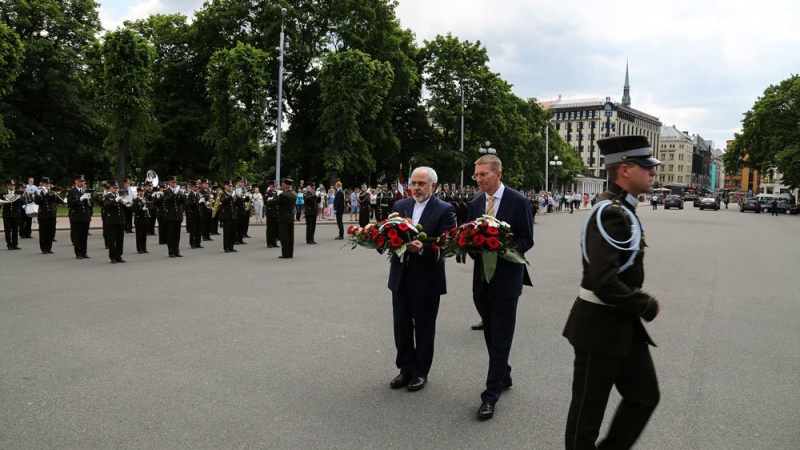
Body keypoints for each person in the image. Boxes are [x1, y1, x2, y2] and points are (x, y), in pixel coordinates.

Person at [563, 135, 662, 450]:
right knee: (587, 414)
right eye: (646, 166)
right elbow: (603, 281)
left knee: (644, 397)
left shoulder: (622, 208)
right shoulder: (611, 212)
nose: (653, 172)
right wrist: (644, 303)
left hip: (621, 325)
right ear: (625, 169)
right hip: (598, 326)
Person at [463, 154, 534, 420]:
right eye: (477, 175)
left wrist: (503, 249)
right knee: (491, 331)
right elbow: (470, 236)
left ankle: (490, 396)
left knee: (501, 335)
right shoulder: (475, 203)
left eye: (484, 175)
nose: (479, 179)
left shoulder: (519, 201)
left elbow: (527, 238)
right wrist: (469, 246)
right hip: (481, 279)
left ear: (498, 175)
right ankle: (503, 374)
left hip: (507, 280)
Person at [386, 167, 456, 392]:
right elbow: (389, 232)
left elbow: (447, 243)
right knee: (401, 325)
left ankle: (420, 372)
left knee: (424, 327)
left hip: (426, 279)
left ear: (433, 186)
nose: (416, 187)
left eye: (421, 184)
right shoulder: (400, 205)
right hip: (400, 276)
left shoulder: (445, 210)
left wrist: (423, 248)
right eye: (414, 183)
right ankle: (405, 368)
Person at [66, 175, 92, 259]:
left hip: (85, 216)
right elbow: (70, 203)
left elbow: (91, 204)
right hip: (76, 216)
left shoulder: (86, 191)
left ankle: (84, 252)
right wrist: (80, 199)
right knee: (77, 235)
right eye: (80, 181)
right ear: (76, 181)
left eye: (83, 181)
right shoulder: (71, 192)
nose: (82, 183)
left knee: (84, 235)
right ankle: (78, 253)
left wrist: (89, 199)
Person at [102, 181, 126, 263]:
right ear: (111, 188)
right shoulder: (107, 196)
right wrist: (115, 200)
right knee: (112, 240)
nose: (116, 189)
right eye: (114, 188)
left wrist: (125, 203)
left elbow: (124, 208)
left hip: (120, 220)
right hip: (112, 221)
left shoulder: (120, 197)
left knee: (120, 239)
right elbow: (106, 205)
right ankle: (112, 257)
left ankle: (119, 255)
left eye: (117, 188)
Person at [34, 177, 59, 254]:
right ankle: (44, 248)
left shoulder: (51, 191)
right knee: (43, 231)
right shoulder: (38, 191)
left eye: (48, 183)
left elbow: (54, 200)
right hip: (43, 213)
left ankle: (49, 247)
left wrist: (51, 193)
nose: (47, 185)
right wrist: (42, 195)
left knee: (50, 231)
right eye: (45, 183)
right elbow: (37, 202)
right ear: (42, 183)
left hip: (51, 213)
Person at [162, 176, 185, 258]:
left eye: (175, 182)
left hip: (177, 216)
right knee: (170, 234)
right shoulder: (166, 191)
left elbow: (182, 202)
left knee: (177, 235)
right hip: (170, 216)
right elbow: (167, 200)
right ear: (169, 182)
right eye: (172, 182)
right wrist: (175, 193)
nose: (174, 184)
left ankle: (177, 250)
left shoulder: (178, 191)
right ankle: (171, 251)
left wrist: (183, 195)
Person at [276, 178, 297, 258]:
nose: (282, 186)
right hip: (291, 216)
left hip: (283, 217)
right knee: (290, 236)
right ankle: (290, 253)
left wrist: (269, 200)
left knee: (283, 236)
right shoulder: (294, 194)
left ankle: (285, 253)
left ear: (285, 186)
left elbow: (274, 202)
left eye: (282, 185)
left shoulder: (283, 195)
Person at [2, 179, 24, 250]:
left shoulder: (18, 193)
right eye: (11, 185)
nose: (12, 186)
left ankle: (15, 244)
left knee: (15, 229)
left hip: (16, 214)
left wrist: (20, 198)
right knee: (8, 230)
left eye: (13, 185)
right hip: (7, 214)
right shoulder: (3, 193)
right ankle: (9, 244)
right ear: (7, 185)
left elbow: (23, 202)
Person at [217, 180, 237, 253]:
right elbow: (223, 201)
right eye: (229, 186)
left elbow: (236, 204)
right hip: (226, 216)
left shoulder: (233, 194)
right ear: (225, 187)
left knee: (233, 232)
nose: (230, 187)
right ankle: (226, 247)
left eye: (231, 186)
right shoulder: (223, 194)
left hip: (233, 215)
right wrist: (231, 196)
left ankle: (231, 246)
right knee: (227, 232)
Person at [131, 187, 151, 254]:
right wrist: (141, 209)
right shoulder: (135, 200)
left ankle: (144, 248)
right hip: (139, 219)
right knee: (139, 235)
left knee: (144, 235)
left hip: (145, 219)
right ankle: (139, 249)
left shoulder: (145, 199)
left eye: (142, 191)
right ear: (138, 192)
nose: (142, 193)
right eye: (140, 191)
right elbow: (133, 210)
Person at [185, 180, 204, 249]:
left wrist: (203, 203)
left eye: (197, 187)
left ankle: (198, 243)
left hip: (199, 214)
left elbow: (201, 203)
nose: (197, 188)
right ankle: (192, 243)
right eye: (195, 187)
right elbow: (190, 204)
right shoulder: (189, 195)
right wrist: (198, 202)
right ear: (192, 187)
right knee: (193, 230)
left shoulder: (198, 194)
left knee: (199, 230)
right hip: (193, 214)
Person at [264, 180, 280, 248]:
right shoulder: (267, 193)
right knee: (270, 228)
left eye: (275, 186)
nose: (274, 187)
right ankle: (269, 242)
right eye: (273, 186)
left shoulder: (276, 192)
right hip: (270, 212)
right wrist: (274, 199)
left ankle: (274, 242)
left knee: (275, 228)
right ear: (270, 186)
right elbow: (267, 201)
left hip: (276, 212)